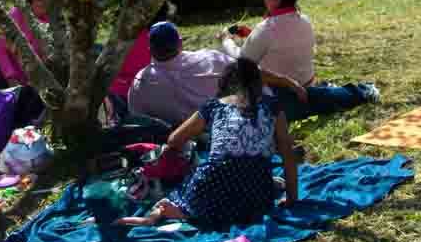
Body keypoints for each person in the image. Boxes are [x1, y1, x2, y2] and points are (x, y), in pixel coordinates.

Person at [115, 57, 298, 229]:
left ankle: (162, 213)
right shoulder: (272, 106)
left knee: (185, 190)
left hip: (213, 186)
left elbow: (174, 139)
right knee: (259, 181)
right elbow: (287, 153)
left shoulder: (214, 106)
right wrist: (292, 197)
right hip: (256, 193)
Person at [220, 0, 379, 121]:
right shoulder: (304, 20)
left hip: (279, 97)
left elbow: (243, 62)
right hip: (307, 86)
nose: (264, 1)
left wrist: (227, 40)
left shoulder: (265, 29)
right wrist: (251, 34)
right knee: (328, 98)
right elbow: (282, 44)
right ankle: (358, 91)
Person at [128, 22, 238, 126]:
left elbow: (138, 118)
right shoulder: (212, 59)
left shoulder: (140, 82)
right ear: (180, 42)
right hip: (218, 128)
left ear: (150, 50)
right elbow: (244, 71)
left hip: (175, 140)